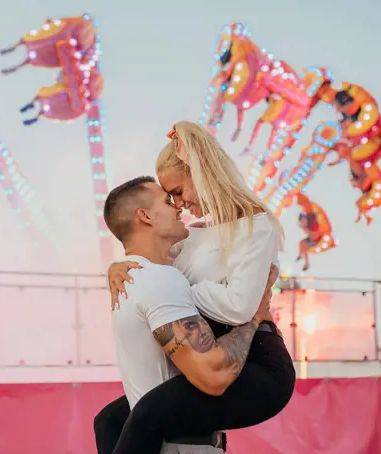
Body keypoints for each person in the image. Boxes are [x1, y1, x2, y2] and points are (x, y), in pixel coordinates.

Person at [94, 121, 295, 454]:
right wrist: (116, 268)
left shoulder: (256, 225)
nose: (179, 204)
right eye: (169, 197)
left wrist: (180, 291)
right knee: (110, 419)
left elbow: (239, 307)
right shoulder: (194, 235)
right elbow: (149, 263)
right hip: (217, 344)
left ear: (201, 174)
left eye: (177, 191)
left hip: (259, 360)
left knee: (149, 413)